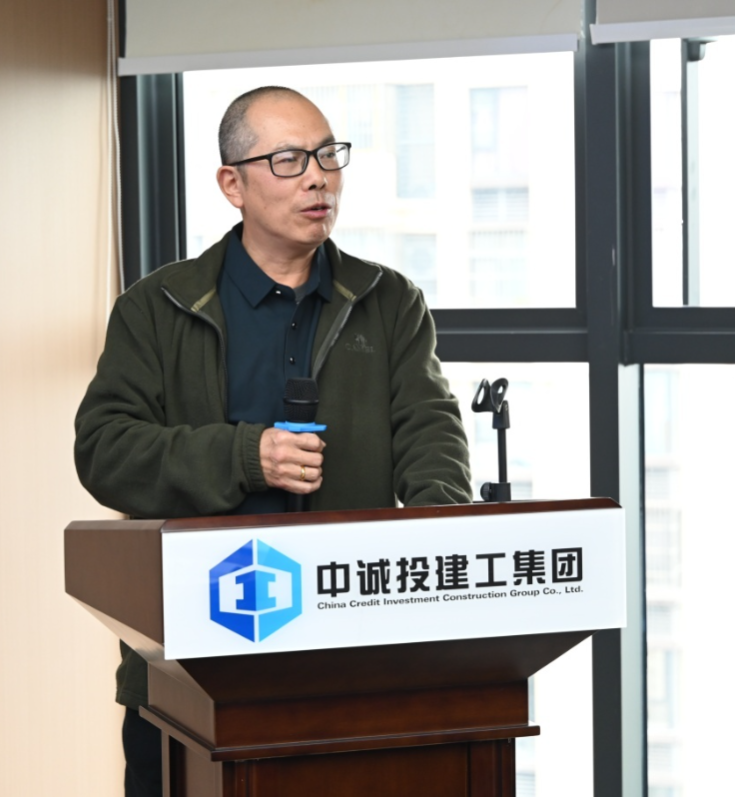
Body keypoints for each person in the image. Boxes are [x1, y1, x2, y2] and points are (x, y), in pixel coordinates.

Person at [74, 86, 473, 796]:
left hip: (348, 661)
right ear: (233, 184)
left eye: (327, 155)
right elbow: (105, 450)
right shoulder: (156, 308)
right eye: (289, 160)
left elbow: (431, 435)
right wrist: (245, 456)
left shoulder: (388, 302)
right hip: (190, 662)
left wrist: (441, 543)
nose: (318, 178)